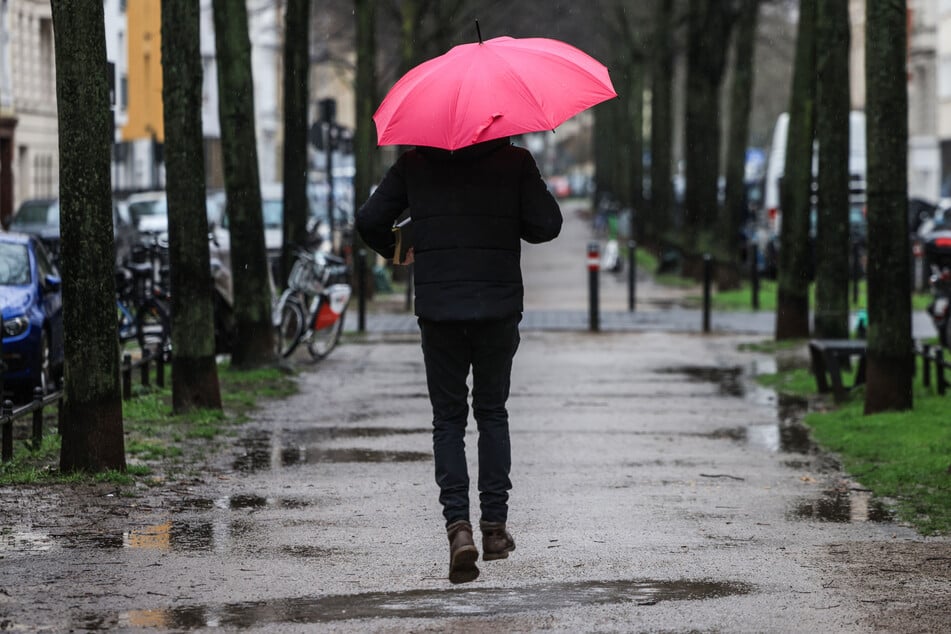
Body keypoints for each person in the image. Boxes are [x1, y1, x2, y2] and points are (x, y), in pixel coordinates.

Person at [356, 136, 562, 583]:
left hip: (439, 310)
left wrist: (397, 249)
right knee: (491, 412)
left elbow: (370, 220)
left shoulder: (414, 164)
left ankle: (458, 530)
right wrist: (508, 212)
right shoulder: (515, 161)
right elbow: (547, 225)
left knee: (448, 419)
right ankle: (494, 528)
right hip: (497, 308)